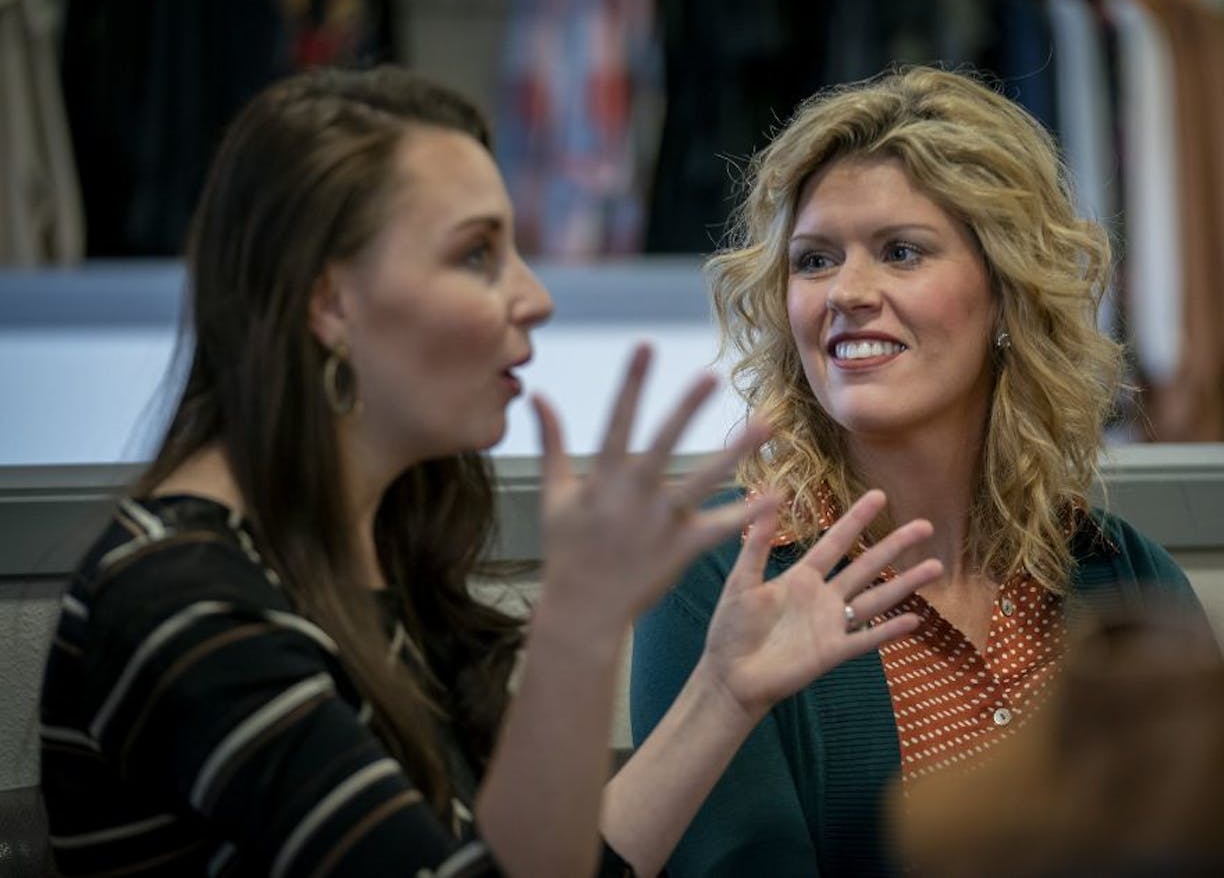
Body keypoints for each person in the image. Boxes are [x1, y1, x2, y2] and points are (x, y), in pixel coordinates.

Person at [38, 66, 946, 877]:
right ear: (328, 301)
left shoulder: (366, 558)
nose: (535, 296)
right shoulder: (180, 598)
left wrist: (723, 693)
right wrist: (578, 630)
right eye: (477, 255)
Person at [630, 66, 1210, 877]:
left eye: (901, 253)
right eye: (815, 260)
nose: (847, 293)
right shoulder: (724, 577)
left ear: (1007, 293)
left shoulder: (1126, 578)